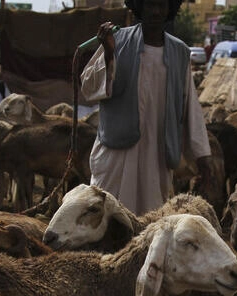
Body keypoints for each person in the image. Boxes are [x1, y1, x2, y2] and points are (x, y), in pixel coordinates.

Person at [79, 0, 211, 214]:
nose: (156, 11)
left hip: (157, 155)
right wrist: (109, 53)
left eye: (161, 5)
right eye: (150, 5)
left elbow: (190, 108)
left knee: (149, 219)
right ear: (139, 7)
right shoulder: (117, 40)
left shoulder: (180, 52)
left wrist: (202, 157)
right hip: (118, 152)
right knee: (105, 215)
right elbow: (88, 87)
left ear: (170, 9)